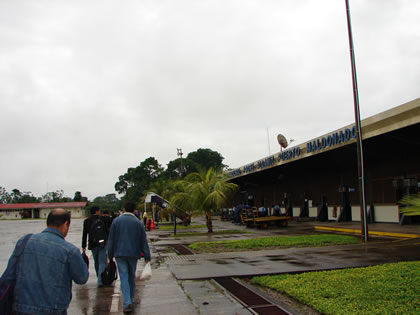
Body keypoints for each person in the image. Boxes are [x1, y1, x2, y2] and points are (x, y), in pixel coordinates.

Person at [8, 208, 88, 314]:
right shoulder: (70, 251)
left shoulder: (24, 241)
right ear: (65, 224)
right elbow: (82, 278)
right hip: (53, 309)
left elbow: (11, 271)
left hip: (21, 307)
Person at [107, 201, 151, 313]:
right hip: (133, 253)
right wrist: (147, 256)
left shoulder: (116, 221)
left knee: (124, 277)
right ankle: (129, 300)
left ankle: (127, 303)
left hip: (119, 253)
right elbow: (143, 241)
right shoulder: (138, 223)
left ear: (123, 209)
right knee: (131, 276)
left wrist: (110, 255)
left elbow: (111, 239)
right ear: (135, 210)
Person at [81, 206, 109, 287]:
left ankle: (99, 277)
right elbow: (107, 230)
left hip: (92, 244)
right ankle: (100, 280)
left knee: (96, 261)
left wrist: (83, 245)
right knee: (102, 262)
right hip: (102, 243)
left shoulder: (87, 221)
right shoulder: (102, 219)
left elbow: (84, 234)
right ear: (97, 211)